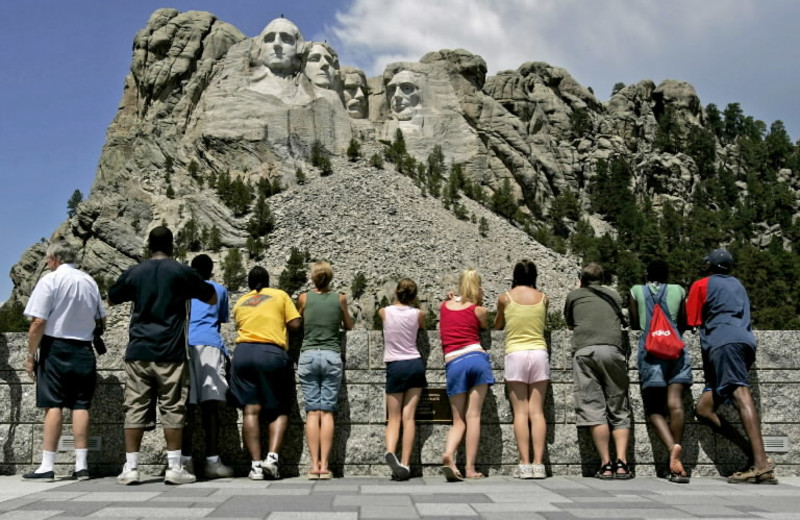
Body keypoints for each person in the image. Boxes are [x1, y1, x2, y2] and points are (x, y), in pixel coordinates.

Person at [108, 226, 217, 486]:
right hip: (171, 351)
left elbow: (111, 298)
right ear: (172, 246)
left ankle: (131, 468)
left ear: (149, 246)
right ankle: (174, 467)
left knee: (134, 408)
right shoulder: (181, 272)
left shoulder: (135, 272)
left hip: (138, 351)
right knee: (173, 408)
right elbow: (211, 297)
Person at [687, 248, 777, 484]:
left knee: (740, 394)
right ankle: (753, 454)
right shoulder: (738, 284)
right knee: (704, 409)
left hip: (723, 342)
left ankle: (760, 464)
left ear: (709, 265)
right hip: (745, 341)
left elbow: (691, 320)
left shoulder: (701, 285)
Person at [22, 241, 105, 481]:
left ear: (55, 259)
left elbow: (38, 322)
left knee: (53, 404)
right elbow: (102, 319)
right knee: (81, 405)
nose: (48, 264)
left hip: (55, 347)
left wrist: (30, 356)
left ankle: (47, 466)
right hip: (83, 347)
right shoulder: (89, 281)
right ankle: (81, 466)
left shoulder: (50, 280)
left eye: (48, 260)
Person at [230, 266, 301, 480]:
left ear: (249, 284)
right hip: (270, 353)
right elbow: (295, 324)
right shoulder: (280, 295)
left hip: (242, 354)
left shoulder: (241, 301)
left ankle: (255, 466)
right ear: (268, 281)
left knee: (250, 411)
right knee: (279, 409)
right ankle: (272, 459)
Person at [564, 263, 633, 479]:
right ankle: (622, 463)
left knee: (593, 407)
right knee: (618, 405)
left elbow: (570, 323)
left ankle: (606, 464)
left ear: (582, 279)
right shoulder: (614, 296)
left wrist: (578, 287)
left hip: (585, 352)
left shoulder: (574, 296)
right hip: (613, 350)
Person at [629, 259, 692, 483]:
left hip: (651, 351)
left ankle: (672, 449)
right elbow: (683, 322)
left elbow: (635, 323)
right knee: (676, 403)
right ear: (667, 275)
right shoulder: (678, 290)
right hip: (675, 350)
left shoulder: (637, 290)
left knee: (654, 408)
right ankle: (676, 465)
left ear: (647, 274)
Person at [297, 261, 354, 480]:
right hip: (331, 355)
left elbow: (298, 322)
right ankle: (325, 466)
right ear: (330, 278)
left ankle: (313, 466)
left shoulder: (304, 298)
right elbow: (349, 325)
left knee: (312, 411)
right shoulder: (339, 298)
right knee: (327, 411)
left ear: (313, 278)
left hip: (309, 354)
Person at [494, 260, 549, 480]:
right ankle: (539, 464)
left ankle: (524, 463)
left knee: (520, 412)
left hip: (515, 353)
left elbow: (498, 325)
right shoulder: (544, 298)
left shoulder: (505, 298)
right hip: (538, 353)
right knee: (537, 411)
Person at [180, 254, 233, 479]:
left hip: (185, 346)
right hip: (210, 345)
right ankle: (213, 461)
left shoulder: (183, 290)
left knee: (187, 408)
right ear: (211, 271)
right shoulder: (218, 290)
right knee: (210, 407)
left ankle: (186, 461)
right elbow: (220, 321)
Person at [439, 269, 493, 481]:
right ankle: (470, 469)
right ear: (478, 287)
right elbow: (484, 326)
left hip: (454, 363)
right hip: (476, 359)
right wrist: (477, 300)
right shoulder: (479, 310)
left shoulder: (444, 306)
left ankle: (449, 454)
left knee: (458, 420)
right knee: (474, 416)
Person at [379, 278, 427, 481]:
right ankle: (406, 463)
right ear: (414, 295)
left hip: (395, 365)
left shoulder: (384, 312)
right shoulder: (418, 314)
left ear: (396, 292)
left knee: (394, 417)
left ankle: (391, 451)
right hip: (415, 364)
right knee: (409, 417)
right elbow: (423, 328)